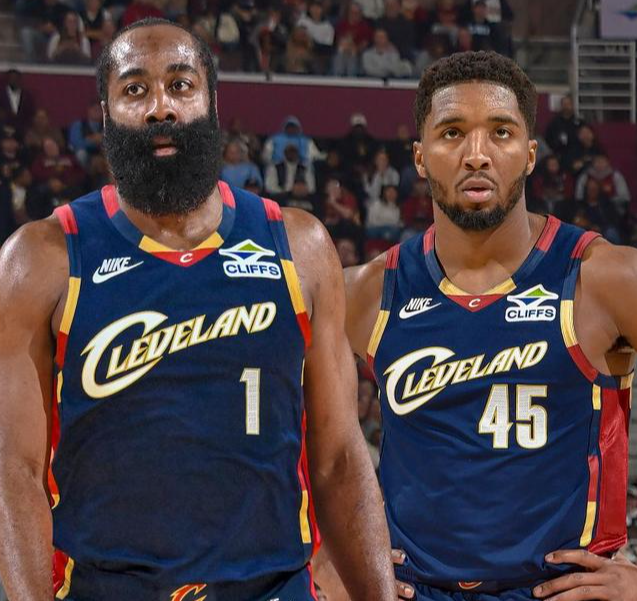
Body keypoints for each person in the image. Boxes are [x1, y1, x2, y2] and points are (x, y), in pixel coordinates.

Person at [0, 18, 396, 601]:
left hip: (273, 587)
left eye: (181, 85)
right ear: (106, 114)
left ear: (212, 103)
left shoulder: (300, 247)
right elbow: (14, 474)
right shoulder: (40, 259)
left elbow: (337, 458)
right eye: (135, 89)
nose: (160, 106)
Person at [338, 51, 637, 600]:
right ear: (420, 156)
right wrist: (327, 553)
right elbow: (286, 430)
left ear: (529, 154)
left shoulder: (605, 277)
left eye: (501, 132)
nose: (476, 154)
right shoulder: (367, 291)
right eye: (452, 133)